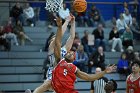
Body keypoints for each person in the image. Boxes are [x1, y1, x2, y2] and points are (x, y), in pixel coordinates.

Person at [51, 17, 116, 93]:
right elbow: (58, 43)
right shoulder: (59, 60)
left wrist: (104, 71)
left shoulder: (74, 68)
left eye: (72, 53)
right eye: (69, 52)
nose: (70, 52)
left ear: (73, 59)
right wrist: (59, 27)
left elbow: (89, 77)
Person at [33, 14, 75, 93]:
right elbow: (59, 35)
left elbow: (72, 37)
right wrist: (66, 21)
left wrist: (73, 23)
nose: (55, 38)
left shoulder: (64, 49)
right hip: (53, 73)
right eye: (53, 38)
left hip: (62, 75)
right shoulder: (51, 49)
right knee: (46, 85)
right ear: (50, 42)